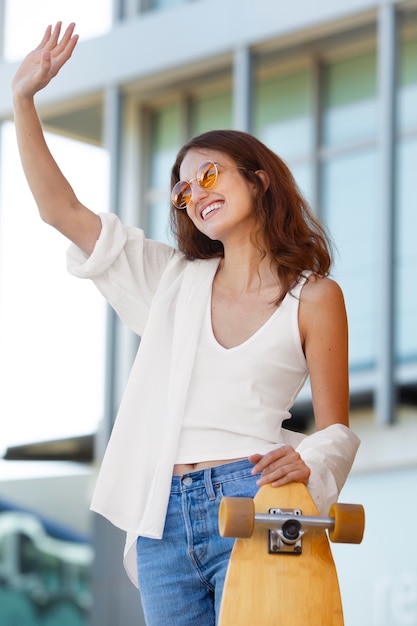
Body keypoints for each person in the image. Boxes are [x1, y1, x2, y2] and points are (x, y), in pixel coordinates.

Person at [12, 22, 360, 626]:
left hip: (257, 501)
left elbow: (336, 429)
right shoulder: (171, 281)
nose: (196, 194)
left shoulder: (315, 297)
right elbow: (61, 211)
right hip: (162, 516)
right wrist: (22, 100)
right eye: (184, 190)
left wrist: (312, 462)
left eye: (210, 175)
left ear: (258, 177)